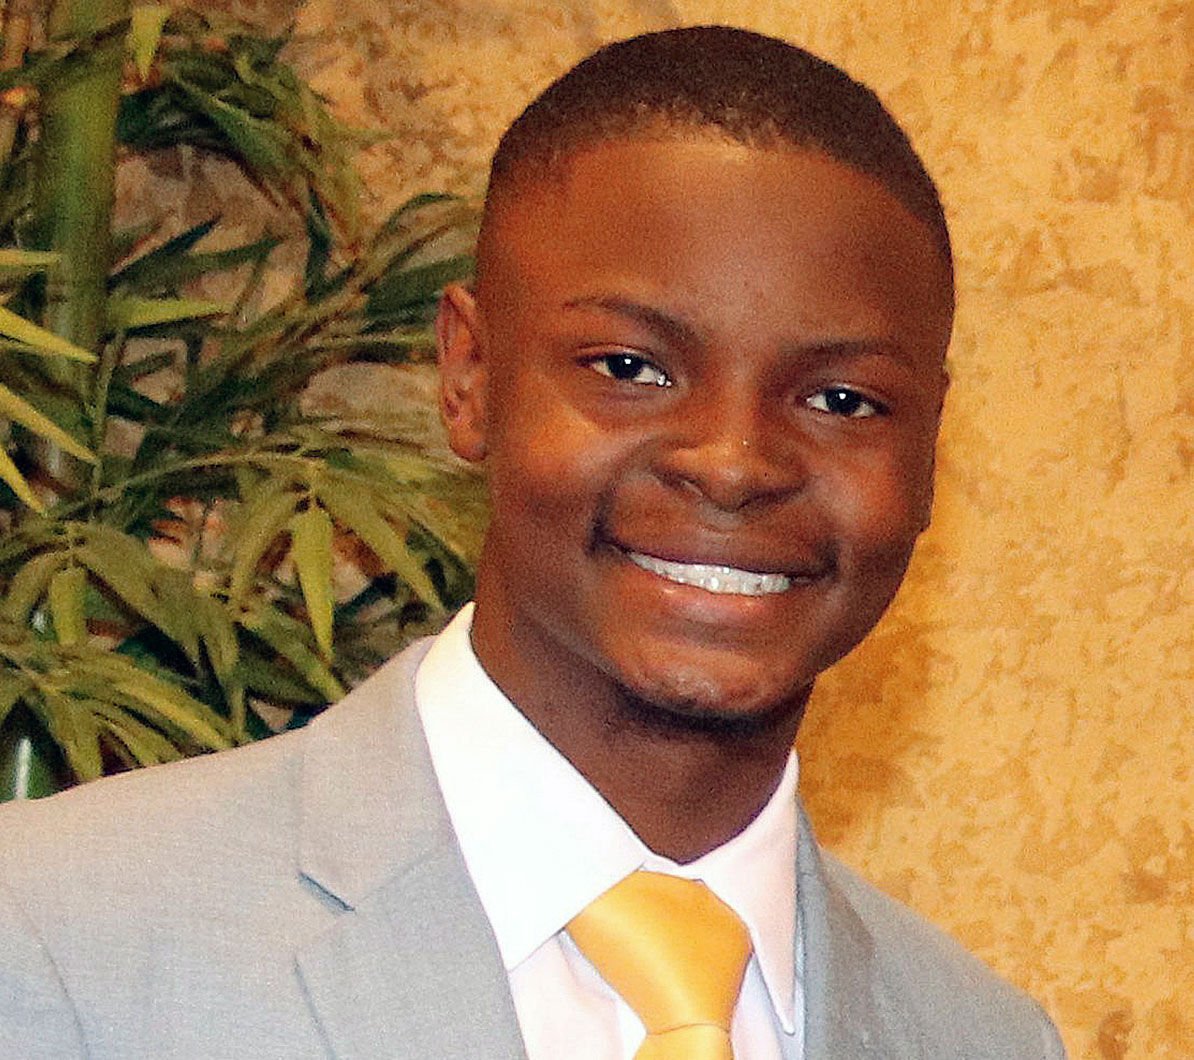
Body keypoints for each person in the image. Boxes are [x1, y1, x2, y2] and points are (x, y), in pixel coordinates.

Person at [0, 26, 1065, 1059]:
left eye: (841, 397)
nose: (734, 463)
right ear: (468, 376)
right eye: (629, 368)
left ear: (930, 441)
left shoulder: (986, 1036)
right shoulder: (53, 936)